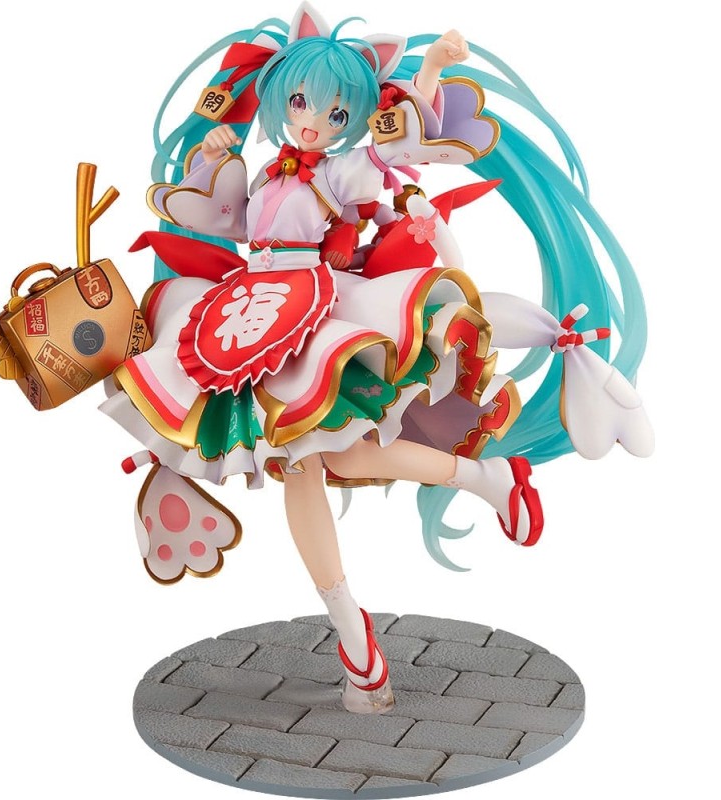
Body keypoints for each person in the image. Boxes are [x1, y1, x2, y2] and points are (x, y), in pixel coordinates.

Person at [100, 3, 652, 714]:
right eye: (301, 103)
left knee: (334, 455)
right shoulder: (267, 176)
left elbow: (399, 145)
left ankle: (457, 508)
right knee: (311, 464)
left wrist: (432, 69)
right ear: (279, 99)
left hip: (313, 314)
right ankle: (357, 622)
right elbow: (226, 222)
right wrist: (212, 160)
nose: (312, 122)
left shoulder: (342, 171)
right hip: (247, 316)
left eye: (335, 113)